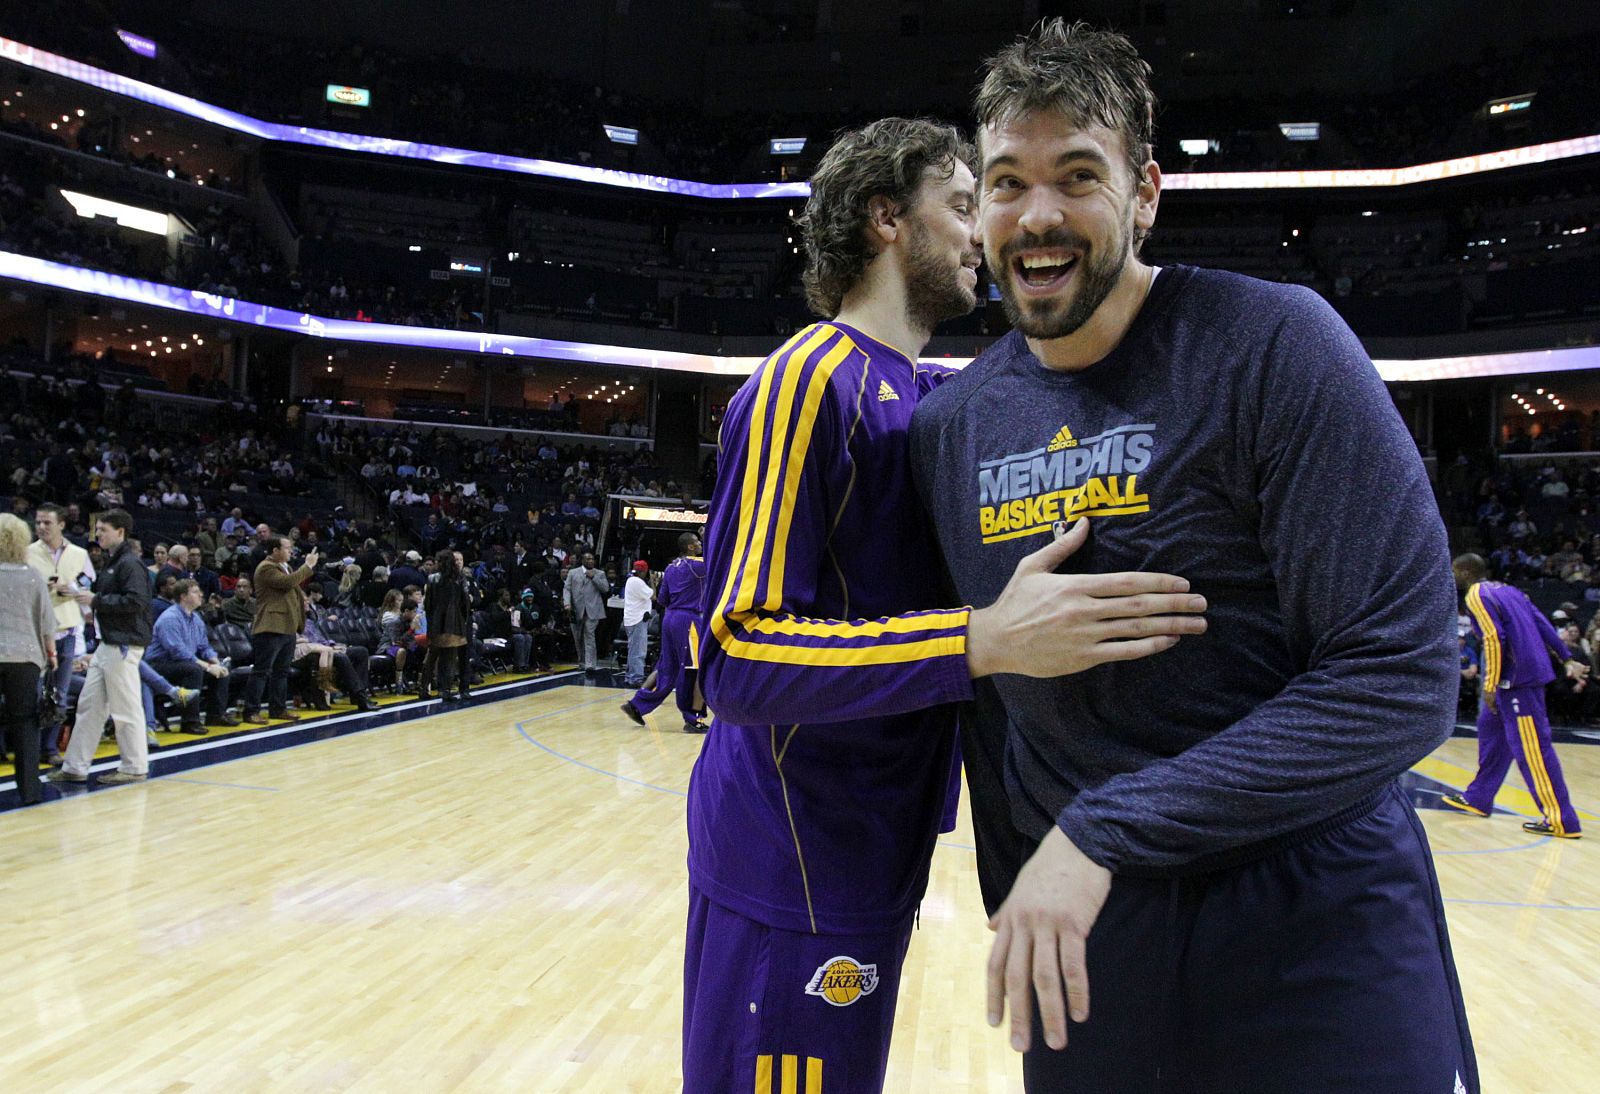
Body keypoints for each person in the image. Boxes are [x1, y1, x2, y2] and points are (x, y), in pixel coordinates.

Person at [910, 20, 1475, 1092]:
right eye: (1006, 182)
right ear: (979, 207)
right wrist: (1018, 882)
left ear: (1145, 194)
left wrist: (1102, 832)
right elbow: (989, 716)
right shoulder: (952, 427)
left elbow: (1401, 679)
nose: (1039, 215)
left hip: (1313, 910)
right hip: (1092, 938)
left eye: (1079, 175)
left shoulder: (1275, 344)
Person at [682, 117, 1205, 1094]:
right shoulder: (808, 380)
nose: (985, 231)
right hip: (791, 863)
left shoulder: (919, 396)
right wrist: (984, 638)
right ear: (886, 218)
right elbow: (738, 657)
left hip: (866, 851)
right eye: (964, 204)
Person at [1444, 553, 1586, 837]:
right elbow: (1541, 623)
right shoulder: (1509, 590)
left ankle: (1561, 818)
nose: (1452, 575)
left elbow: (1495, 640)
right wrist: (1566, 657)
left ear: (1465, 571)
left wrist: (1489, 684)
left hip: (1516, 679)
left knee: (1531, 748)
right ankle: (1479, 797)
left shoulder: (1476, 595)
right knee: (1490, 730)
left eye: (1454, 570)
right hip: (1523, 674)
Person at [48, 509, 153, 786]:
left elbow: (136, 602)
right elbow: (107, 598)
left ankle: (134, 766)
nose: (97, 535)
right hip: (108, 643)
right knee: (89, 705)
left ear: (120, 531)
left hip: (123, 643)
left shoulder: (130, 564)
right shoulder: (112, 563)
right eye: (97, 530)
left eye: (103, 530)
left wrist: (96, 601)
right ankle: (75, 767)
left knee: (125, 707)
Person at [620, 532, 708, 734]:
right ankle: (694, 718)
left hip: (669, 619)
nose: (700, 544)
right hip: (688, 620)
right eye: (697, 542)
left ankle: (636, 704)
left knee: (667, 666)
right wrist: (708, 533)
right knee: (697, 670)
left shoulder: (670, 567)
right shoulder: (697, 566)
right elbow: (720, 557)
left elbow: (662, 598)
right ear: (690, 548)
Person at [27, 502, 93, 765]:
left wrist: (73, 589)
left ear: (62, 525)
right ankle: (29, 748)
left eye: (47, 523)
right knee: (33, 693)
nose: (41, 527)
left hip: (67, 628)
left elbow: (88, 584)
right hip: (35, 632)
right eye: (38, 522)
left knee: (60, 693)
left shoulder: (79, 553)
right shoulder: (26, 553)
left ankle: (49, 748)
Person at [0, 512, 56, 805]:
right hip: (25, 658)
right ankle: (30, 792)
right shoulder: (33, 575)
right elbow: (47, 621)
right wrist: (52, 653)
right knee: (25, 723)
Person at [145, 578, 238, 733]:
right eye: (195, 592)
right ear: (183, 596)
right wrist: (208, 667)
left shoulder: (196, 618)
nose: (201, 595)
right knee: (194, 669)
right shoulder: (170, 618)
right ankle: (189, 722)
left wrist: (216, 663)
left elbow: (204, 646)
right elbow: (178, 652)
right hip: (159, 666)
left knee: (221, 670)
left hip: (183, 662)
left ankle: (216, 715)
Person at [242, 537, 314, 724]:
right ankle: (251, 711)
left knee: (281, 672)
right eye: (287, 548)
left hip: (287, 627)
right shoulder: (265, 568)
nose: (291, 551)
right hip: (270, 626)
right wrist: (307, 567)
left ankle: (278, 708)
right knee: (261, 671)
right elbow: (288, 583)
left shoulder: (286, 567)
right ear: (275, 550)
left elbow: (294, 589)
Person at [420, 549, 472, 701]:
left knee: (431, 657)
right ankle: (445, 690)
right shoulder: (459, 578)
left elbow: (427, 604)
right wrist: (463, 619)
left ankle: (424, 689)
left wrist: (431, 621)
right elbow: (465, 602)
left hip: (435, 622)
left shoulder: (432, 578)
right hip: (453, 621)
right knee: (449, 658)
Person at [563, 552, 608, 673]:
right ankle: (581, 662)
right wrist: (567, 603)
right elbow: (567, 589)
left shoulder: (600, 573)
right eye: (588, 559)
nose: (591, 561)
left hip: (593, 610)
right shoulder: (573, 572)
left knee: (589, 635)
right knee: (577, 637)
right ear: (582, 560)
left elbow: (605, 588)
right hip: (576, 609)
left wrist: (594, 577)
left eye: (592, 559)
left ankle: (590, 664)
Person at [620, 559, 653, 686]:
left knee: (633, 649)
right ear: (644, 571)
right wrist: (654, 582)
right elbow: (652, 595)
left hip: (633, 619)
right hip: (637, 620)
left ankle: (630, 676)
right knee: (638, 651)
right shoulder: (637, 581)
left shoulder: (631, 580)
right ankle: (636, 677)